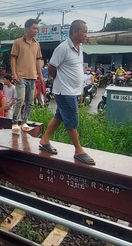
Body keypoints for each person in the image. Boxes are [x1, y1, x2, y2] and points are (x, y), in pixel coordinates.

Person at [38, 20, 94, 165]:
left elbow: (76, 69)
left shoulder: (79, 47)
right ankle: (78, 150)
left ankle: (44, 140)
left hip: (73, 91)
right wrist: (58, 79)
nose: (86, 34)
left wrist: (79, 90)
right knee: (72, 120)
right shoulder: (63, 48)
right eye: (84, 31)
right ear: (75, 31)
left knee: (60, 117)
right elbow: (51, 67)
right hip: (64, 91)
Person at [10, 19, 45, 134]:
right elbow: (13, 58)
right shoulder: (18, 42)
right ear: (27, 29)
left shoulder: (37, 44)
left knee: (30, 101)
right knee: (20, 99)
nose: (36, 31)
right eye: (34, 28)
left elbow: (37, 61)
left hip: (32, 77)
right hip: (20, 76)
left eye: (37, 28)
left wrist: (40, 76)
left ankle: (24, 121)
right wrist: (14, 73)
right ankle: (15, 122)